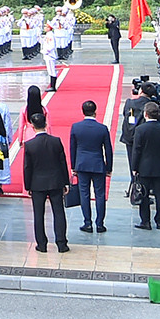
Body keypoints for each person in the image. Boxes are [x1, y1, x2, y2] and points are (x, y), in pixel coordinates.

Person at [22, 111, 70, 253]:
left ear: (32, 126)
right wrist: (65, 182)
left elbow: (27, 168)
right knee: (59, 212)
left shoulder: (30, 145)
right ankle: (62, 243)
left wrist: (28, 186)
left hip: (37, 184)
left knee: (38, 214)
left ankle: (41, 244)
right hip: (55, 182)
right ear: (46, 124)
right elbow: (63, 163)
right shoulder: (56, 141)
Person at [129, 101, 160, 230]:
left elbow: (137, 150)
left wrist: (134, 167)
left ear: (145, 114)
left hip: (144, 167)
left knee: (144, 195)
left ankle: (145, 221)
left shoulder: (140, 130)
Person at [68, 100, 114, 233]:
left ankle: (87, 222)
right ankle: (100, 223)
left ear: (83, 112)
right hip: (98, 164)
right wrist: (109, 167)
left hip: (82, 164)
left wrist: (73, 166)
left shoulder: (76, 127)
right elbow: (108, 150)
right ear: (95, 111)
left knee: (84, 194)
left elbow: (73, 148)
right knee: (100, 194)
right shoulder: (102, 128)